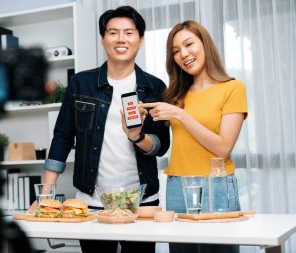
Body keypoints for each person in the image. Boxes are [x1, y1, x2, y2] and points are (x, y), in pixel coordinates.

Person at [43, 6, 170, 253]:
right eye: (113, 32)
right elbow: (62, 137)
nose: (121, 39)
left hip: (142, 203)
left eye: (129, 33)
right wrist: (44, 197)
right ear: (103, 39)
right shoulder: (81, 83)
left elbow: (160, 145)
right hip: (91, 202)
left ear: (140, 40)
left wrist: (137, 137)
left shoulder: (154, 87)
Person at [142, 20, 248, 253]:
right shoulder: (173, 95)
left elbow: (223, 148)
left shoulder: (232, 88)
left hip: (216, 185)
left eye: (189, 44)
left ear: (205, 44)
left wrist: (181, 115)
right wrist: (137, 129)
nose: (184, 54)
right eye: (176, 51)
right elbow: (155, 143)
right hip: (177, 186)